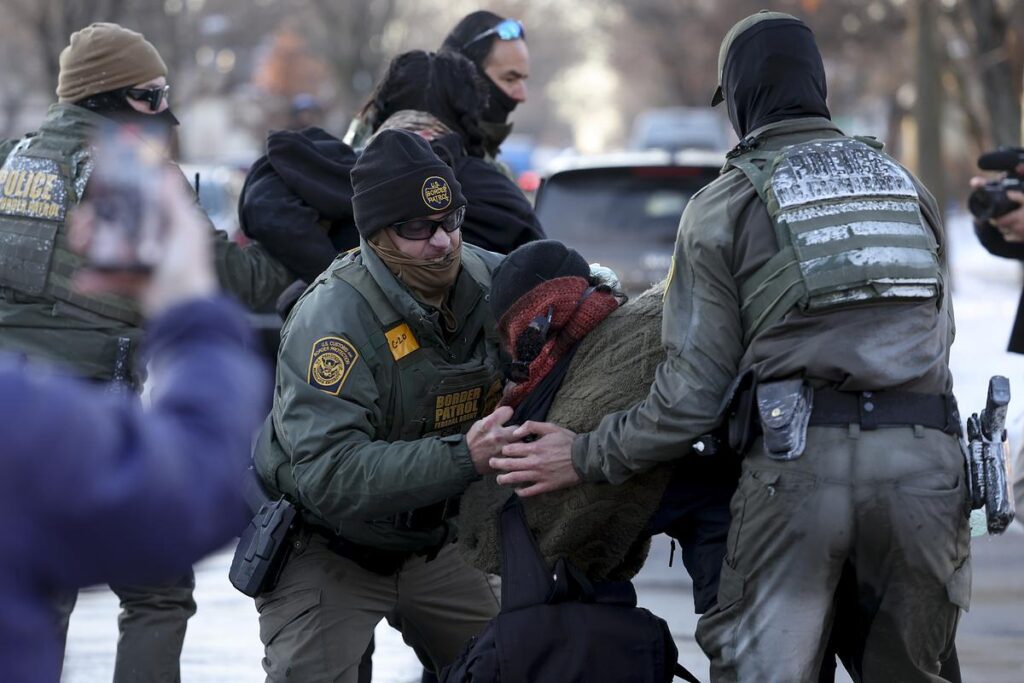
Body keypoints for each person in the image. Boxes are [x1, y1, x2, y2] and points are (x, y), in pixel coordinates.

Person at [493, 11, 967, 682]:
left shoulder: (727, 205)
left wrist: (584, 453)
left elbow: (689, 399)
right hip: (927, 474)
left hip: (799, 472)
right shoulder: (906, 188)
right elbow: (939, 340)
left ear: (740, 97)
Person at [0, 22, 292, 681]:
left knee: (34, 594)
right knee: (157, 589)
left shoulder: (10, 161)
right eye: (154, 95)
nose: (168, 112)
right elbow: (239, 282)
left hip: (13, 405)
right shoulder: (137, 178)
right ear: (112, 95)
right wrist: (292, 238)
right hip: (86, 410)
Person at [251, 129, 518, 682]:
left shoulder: (493, 280)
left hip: (438, 544)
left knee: (516, 665)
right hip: (330, 547)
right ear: (376, 234)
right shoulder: (333, 320)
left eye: (451, 221)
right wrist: (464, 456)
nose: (442, 243)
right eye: (416, 228)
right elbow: (330, 473)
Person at [439, 11, 529, 168]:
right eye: (509, 79)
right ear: (466, 77)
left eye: (522, 79)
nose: (522, 95)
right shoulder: (433, 161)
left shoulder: (485, 163)